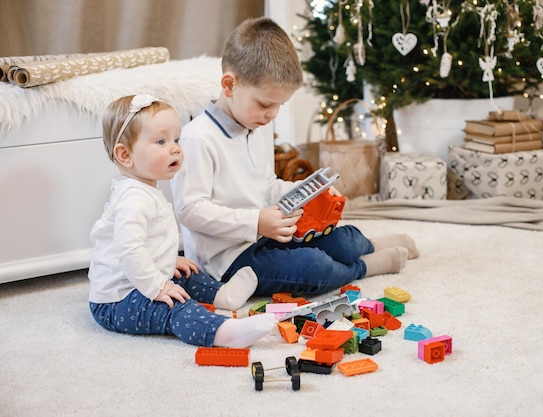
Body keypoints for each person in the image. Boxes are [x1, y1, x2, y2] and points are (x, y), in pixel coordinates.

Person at [171, 17, 419, 298]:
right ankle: (363, 267)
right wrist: (255, 222)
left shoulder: (256, 126)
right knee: (312, 267)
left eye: (280, 105)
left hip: (267, 234)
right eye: (265, 104)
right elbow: (189, 211)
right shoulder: (197, 139)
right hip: (227, 261)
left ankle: (369, 245)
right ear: (229, 85)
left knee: (342, 241)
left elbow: (267, 186)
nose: (273, 114)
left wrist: (307, 193)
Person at [88, 94, 276, 348]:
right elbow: (129, 250)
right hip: (117, 300)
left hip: (137, 279)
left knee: (186, 273)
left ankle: (223, 295)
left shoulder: (144, 190)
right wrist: (157, 287)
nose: (175, 148)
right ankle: (223, 332)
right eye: (161, 141)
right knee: (174, 306)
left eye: (176, 139)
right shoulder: (134, 199)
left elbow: (144, 244)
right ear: (125, 155)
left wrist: (166, 259)